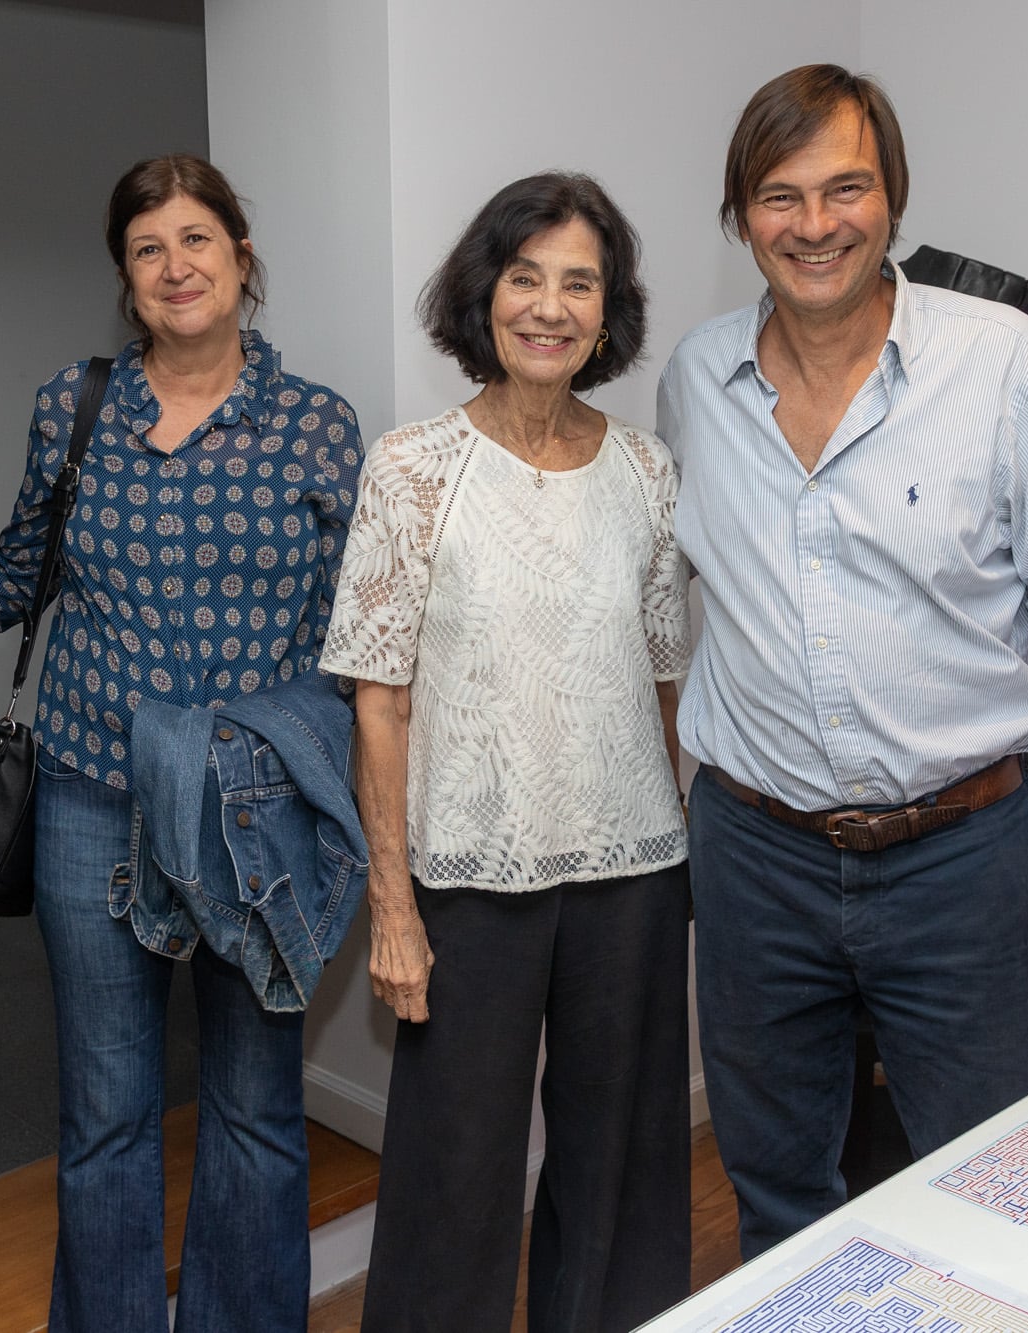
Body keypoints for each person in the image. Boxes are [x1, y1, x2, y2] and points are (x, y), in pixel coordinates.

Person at [657, 64, 1028, 1259]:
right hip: (755, 862)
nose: (814, 225)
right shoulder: (691, 380)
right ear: (740, 217)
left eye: (845, 188)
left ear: (891, 199)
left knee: (990, 1202)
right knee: (777, 1195)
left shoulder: (1003, 363)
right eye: (779, 196)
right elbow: (672, 605)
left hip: (962, 866)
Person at [0, 152, 363, 1333]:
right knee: (104, 1112)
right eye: (148, 248)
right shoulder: (72, 406)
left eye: (197, 240)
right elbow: (17, 570)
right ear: (125, 279)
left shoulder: (316, 427)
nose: (174, 266)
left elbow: (357, 633)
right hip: (93, 795)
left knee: (252, 1107)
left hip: (255, 814)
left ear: (241, 258)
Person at [322, 172, 692, 1333]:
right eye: (524, 276)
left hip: (630, 872)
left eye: (577, 281)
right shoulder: (411, 467)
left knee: (622, 1161)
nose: (548, 306)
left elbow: (662, 679)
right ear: (483, 293)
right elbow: (375, 704)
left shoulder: (644, 470)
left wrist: (684, 845)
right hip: (470, 878)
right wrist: (392, 906)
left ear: (607, 308)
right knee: (453, 1172)